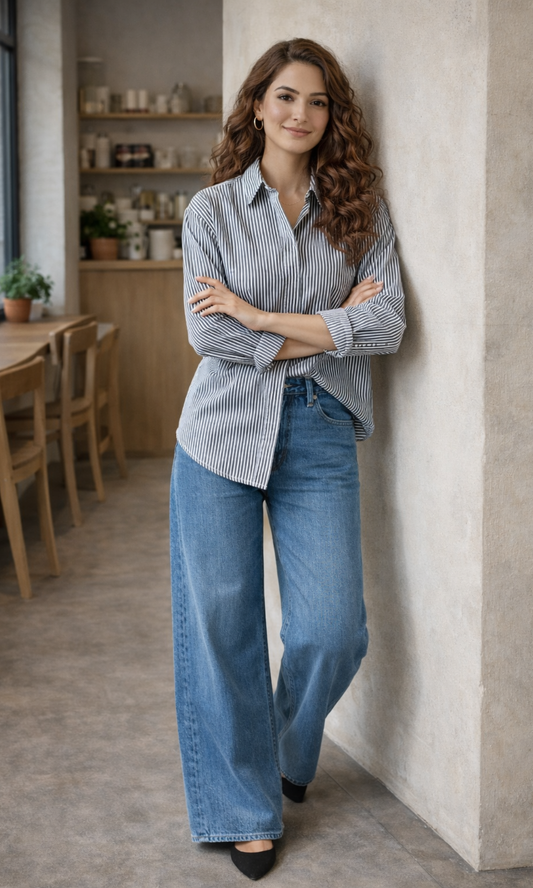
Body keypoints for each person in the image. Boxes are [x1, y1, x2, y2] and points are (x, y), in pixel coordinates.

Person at [170, 37, 405, 881]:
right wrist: (323, 321)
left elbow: (384, 328)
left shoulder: (360, 212)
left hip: (320, 428)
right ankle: (245, 809)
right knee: (223, 632)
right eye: (285, 98)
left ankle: (281, 751)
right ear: (257, 106)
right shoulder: (211, 214)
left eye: (317, 102)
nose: (300, 115)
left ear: (331, 116)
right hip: (219, 436)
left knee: (332, 630)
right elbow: (208, 333)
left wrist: (260, 314)